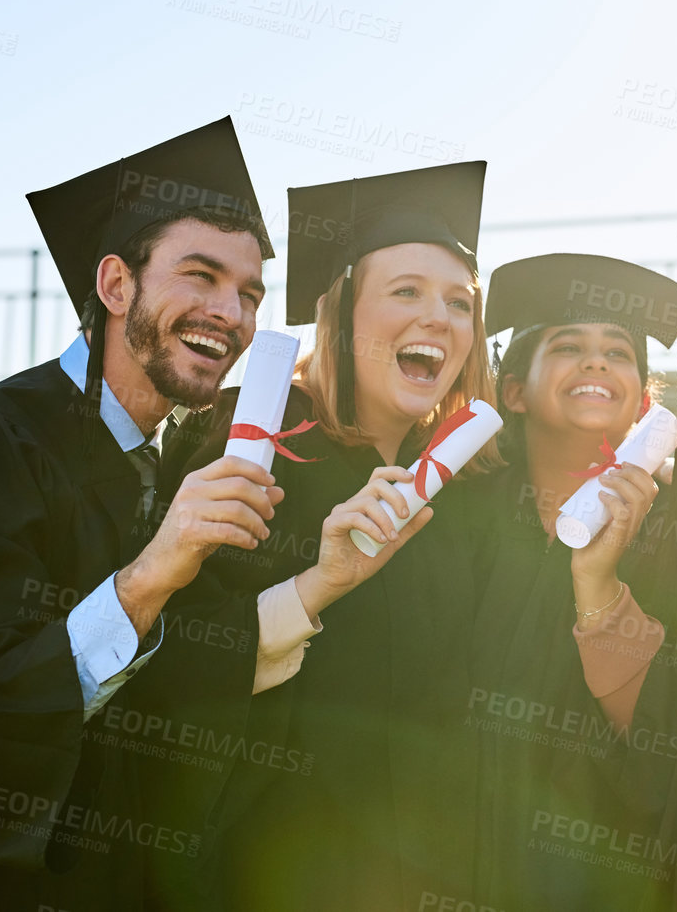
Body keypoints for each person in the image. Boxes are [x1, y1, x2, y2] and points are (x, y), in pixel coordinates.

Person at [0, 120, 287, 911]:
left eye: (248, 292)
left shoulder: (169, 465)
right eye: (201, 275)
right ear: (114, 286)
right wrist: (142, 584)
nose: (230, 312)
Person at [185, 161, 502, 912]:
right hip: (264, 867)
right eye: (406, 292)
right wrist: (316, 585)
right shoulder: (253, 441)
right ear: (342, 314)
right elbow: (181, 657)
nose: (439, 316)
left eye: (459, 302)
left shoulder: (469, 495)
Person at [453, 253, 677, 912]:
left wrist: (598, 585)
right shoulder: (453, 522)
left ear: (642, 399)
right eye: (568, 345)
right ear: (513, 390)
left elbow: (675, 737)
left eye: (618, 351)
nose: (597, 362)